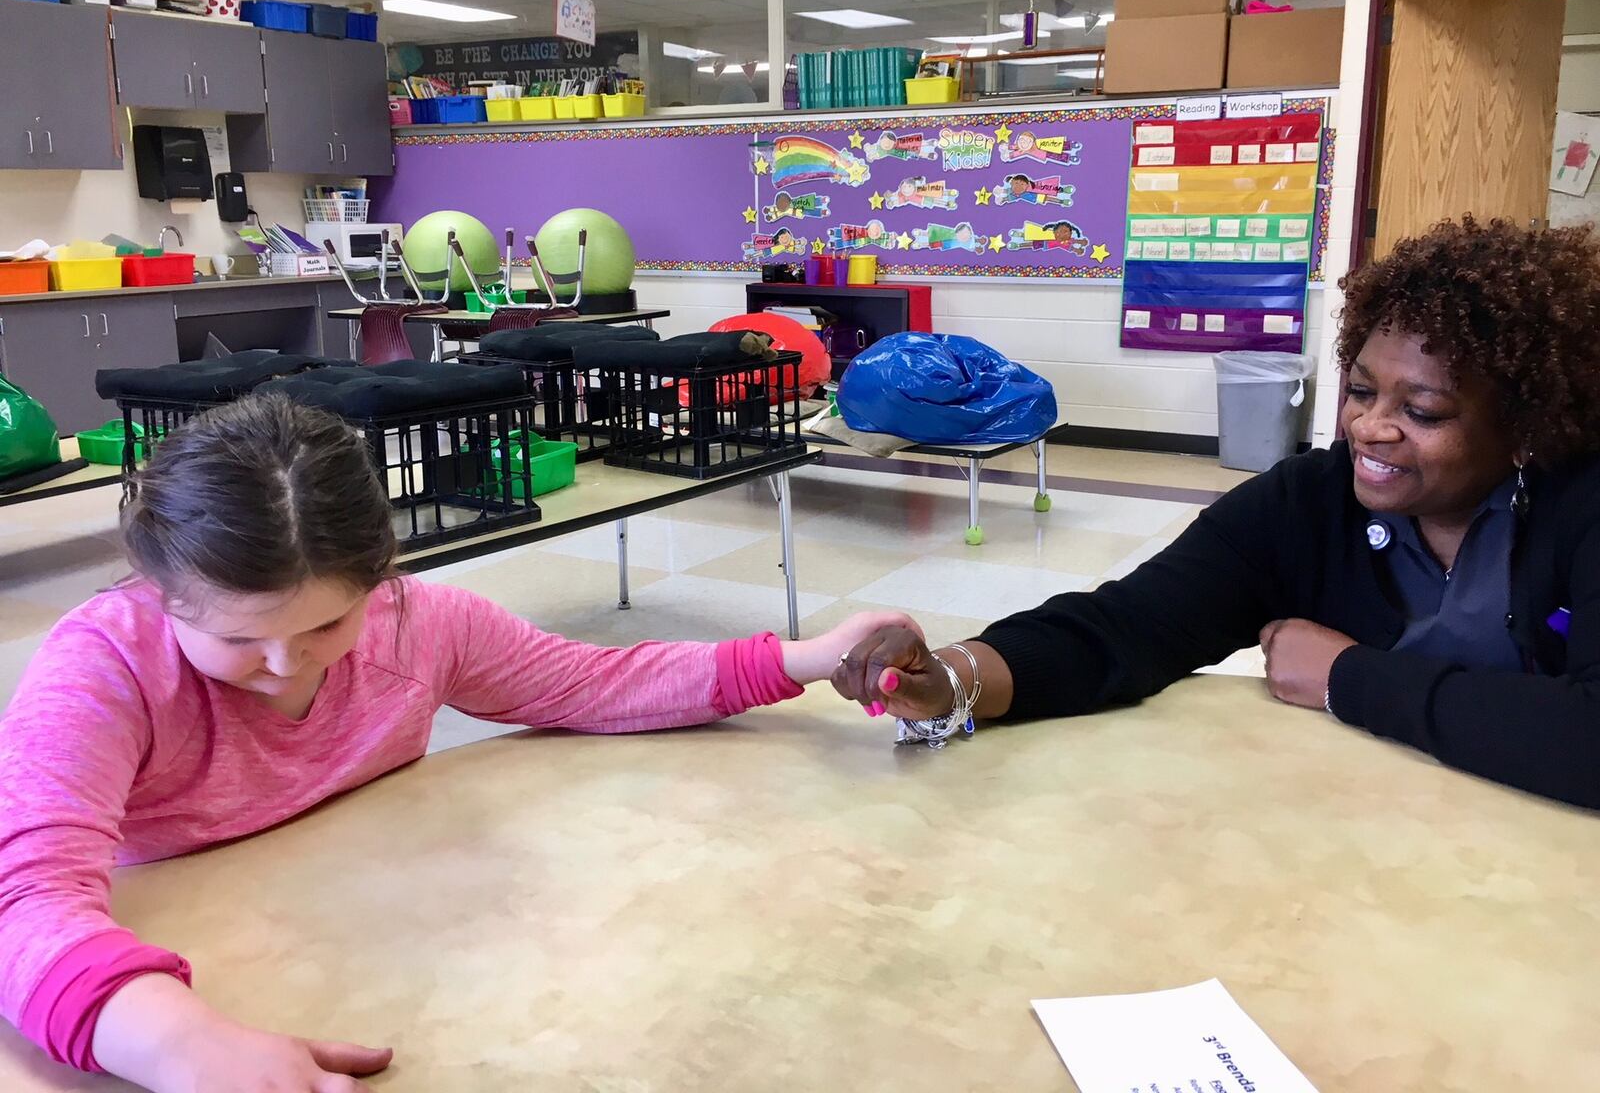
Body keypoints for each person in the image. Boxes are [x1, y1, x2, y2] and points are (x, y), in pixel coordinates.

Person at [0, 396, 913, 1090]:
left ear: (379, 580)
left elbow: (591, 684)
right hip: (186, 968)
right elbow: (26, 898)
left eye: (326, 626)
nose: (284, 665)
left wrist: (807, 656)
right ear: (159, 591)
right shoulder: (105, 666)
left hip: (371, 943)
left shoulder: (416, 625)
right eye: (238, 640)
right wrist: (179, 1043)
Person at [834, 217, 1600, 809]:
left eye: (1423, 410)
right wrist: (956, 677)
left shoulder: (1583, 505)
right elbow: (1126, 628)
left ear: (1526, 420)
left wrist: (1346, 676)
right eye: (1362, 393)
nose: (1371, 427)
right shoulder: (1306, 504)